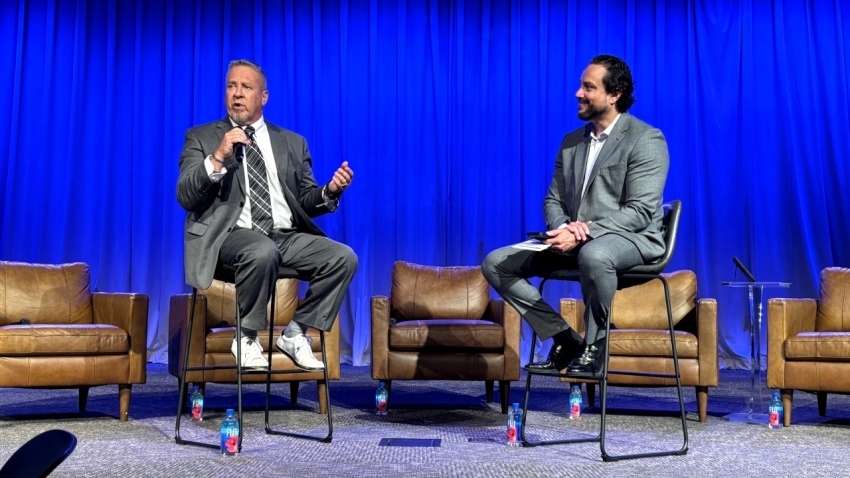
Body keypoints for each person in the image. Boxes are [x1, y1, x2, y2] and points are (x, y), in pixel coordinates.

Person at [482, 54, 669, 377]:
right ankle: (564, 338)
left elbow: (640, 212)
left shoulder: (645, 139)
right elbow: (553, 200)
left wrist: (582, 233)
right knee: (496, 263)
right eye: (580, 86)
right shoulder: (571, 142)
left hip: (630, 239)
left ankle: (596, 346)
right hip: (574, 243)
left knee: (596, 255)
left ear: (614, 95)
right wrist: (563, 229)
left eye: (588, 87)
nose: (577, 93)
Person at [177, 59, 357, 371]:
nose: (237, 93)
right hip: (229, 240)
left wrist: (330, 191)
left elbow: (304, 199)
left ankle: (297, 332)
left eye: (246, 87)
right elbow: (186, 196)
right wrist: (218, 157)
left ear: (264, 97)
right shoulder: (202, 137)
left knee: (343, 257)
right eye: (231, 86)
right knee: (262, 250)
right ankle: (246, 337)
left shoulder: (291, 142)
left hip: (283, 238)